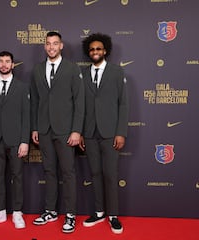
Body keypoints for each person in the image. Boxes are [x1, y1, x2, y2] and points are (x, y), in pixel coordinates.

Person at [30, 31, 84, 233]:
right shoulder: (37, 69)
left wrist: (76, 130)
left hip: (65, 131)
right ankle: (50, 211)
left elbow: (79, 102)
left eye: (55, 43)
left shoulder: (72, 68)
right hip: (44, 129)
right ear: (44, 46)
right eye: (48, 44)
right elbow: (35, 101)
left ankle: (70, 214)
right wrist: (35, 126)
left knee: (68, 173)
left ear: (61, 46)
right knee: (49, 171)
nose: (51, 47)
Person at [79, 33, 129, 234]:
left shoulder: (117, 72)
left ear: (105, 50)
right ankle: (99, 212)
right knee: (95, 173)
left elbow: (123, 104)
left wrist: (121, 132)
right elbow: (79, 106)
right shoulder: (81, 74)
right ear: (88, 52)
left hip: (110, 133)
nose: (95, 52)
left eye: (98, 48)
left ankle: (113, 215)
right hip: (90, 132)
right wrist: (81, 132)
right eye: (92, 49)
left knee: (110, 174)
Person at [0, 51, 30, 229]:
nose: (4, 64)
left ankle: (17, 212)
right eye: (1, 61)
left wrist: (25, 141)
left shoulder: (23, 87)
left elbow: (27, 116)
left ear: (12, 65)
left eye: (7, 61)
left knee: (17, 176)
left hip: (16, 139)